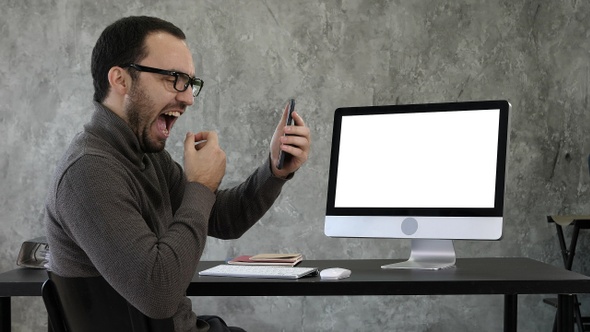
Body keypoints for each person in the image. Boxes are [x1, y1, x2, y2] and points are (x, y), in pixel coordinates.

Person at [44, 16, 311, 332]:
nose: (188, 97)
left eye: (190, 82)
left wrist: (274, 171)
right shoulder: (89, 171)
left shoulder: (143, 155)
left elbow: (224, 218)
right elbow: (158, 293)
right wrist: (200, 184)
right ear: (120, 80)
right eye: (174, 78)